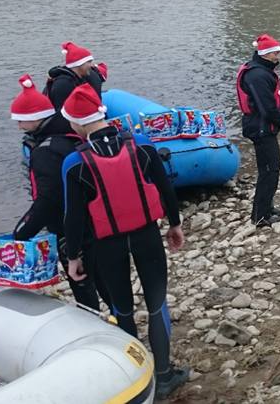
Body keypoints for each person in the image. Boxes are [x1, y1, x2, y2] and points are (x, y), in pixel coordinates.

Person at [60, 84, 189, 399]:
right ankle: (164, 376)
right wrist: (175, 224)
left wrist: (74, 257)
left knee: (122, 309)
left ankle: (136, 380)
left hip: (107, 245)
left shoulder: (74, 163)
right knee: (156, 305)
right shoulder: (142, 145)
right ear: (102, 114)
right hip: (147, 236)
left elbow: (73, 217)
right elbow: (165, 188)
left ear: (76, 123)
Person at [10, 74, 108, 310]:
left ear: (35, 119)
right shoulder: (72, 134)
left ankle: (93, 319)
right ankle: (120, 316)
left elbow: (48, 200)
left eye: (21, 120)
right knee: (105, 279)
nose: (19, 126)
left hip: (70, 229)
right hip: (97, 220)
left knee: (83, 283)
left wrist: (22, 231)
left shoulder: (45, 152)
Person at [237, 34, 280, 227]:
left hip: (264, 127)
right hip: (260, 128)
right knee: (269, 170)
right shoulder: (257, 76)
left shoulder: (262, 71)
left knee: (272, 168)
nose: (278, 56)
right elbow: (267, 108)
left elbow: (272, 102)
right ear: (265, 54)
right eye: (276, 53)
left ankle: (266, 208)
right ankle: (260, 216)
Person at [45, 41, 106, 135]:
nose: (92, 65)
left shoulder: (85, 77)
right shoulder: (63, 84)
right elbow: (61, 115)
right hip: (67, 128)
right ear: (78, 64)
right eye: (88, 62)